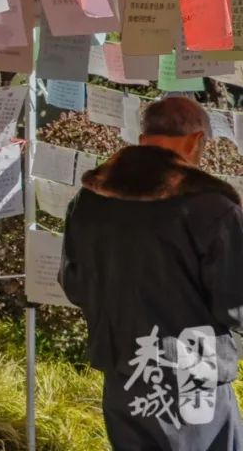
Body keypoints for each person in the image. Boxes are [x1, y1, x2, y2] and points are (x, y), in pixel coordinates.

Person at [60, 96, 243, 450]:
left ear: (144, 141)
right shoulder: (211, 207)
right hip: (194, 363)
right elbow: (234, 303)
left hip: (123, 360)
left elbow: (75, 284)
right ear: (196, 141)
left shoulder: (90, 200)